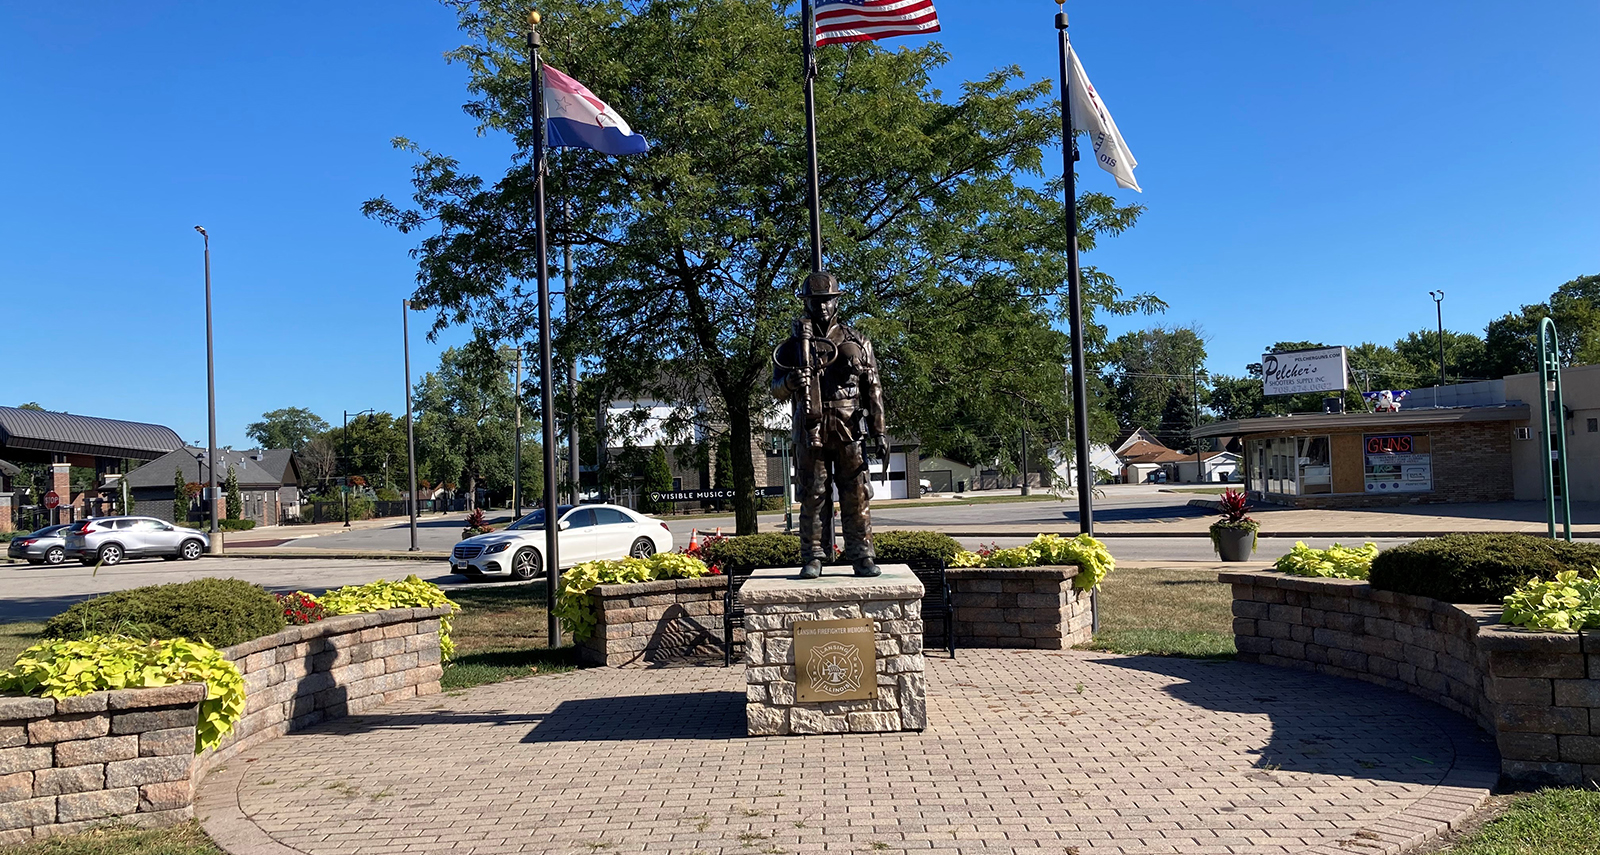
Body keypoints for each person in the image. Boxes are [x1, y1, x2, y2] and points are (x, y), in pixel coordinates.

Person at [771, 272, 888, 578]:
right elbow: (775, 388)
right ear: (806, 303)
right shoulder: (791, 346)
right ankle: (813, 556)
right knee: (813, 494)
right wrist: (789, 381)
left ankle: (862, 555)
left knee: (856, 493)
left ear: (837, 301)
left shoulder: (857, 340)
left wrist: (879, 431)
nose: (822, 307)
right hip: (810, 428)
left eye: (827, 300)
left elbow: (873, 389)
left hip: (849, 427)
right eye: (815, 301)